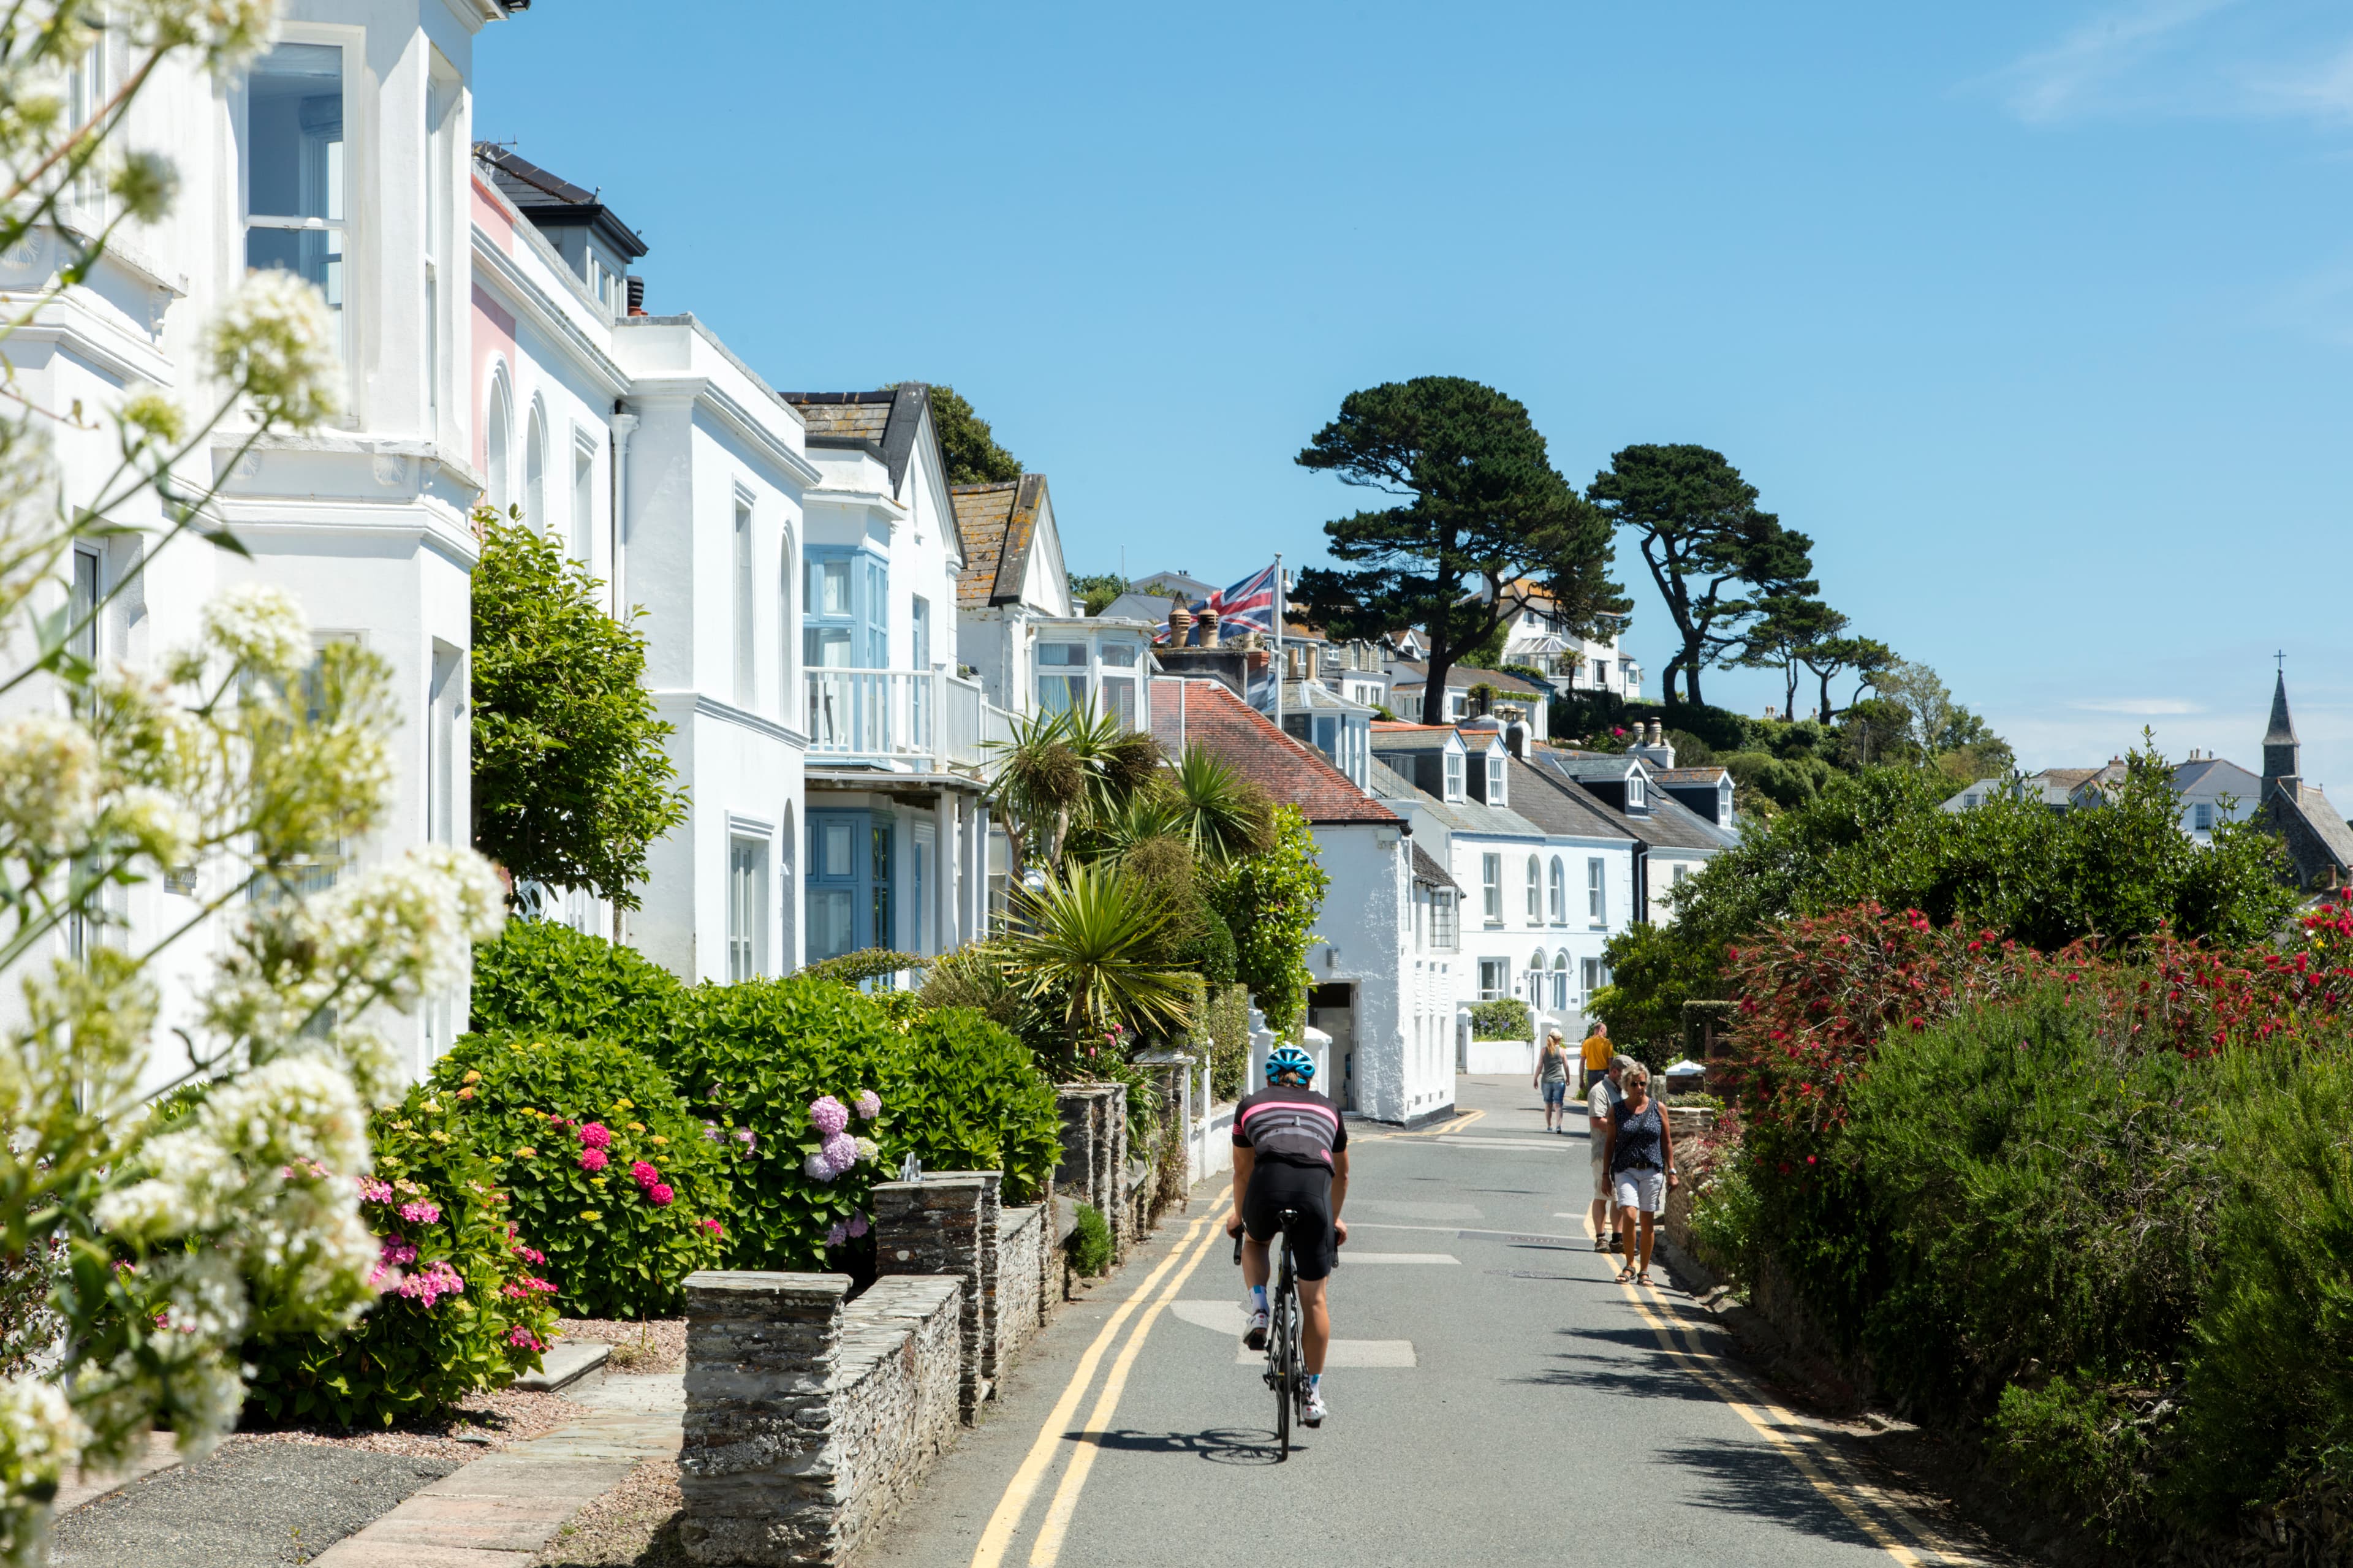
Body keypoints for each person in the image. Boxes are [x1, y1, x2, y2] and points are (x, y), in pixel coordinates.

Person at [1227, 1043, 1350, 1429]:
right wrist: (1336, 1220)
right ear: (1311, 1080)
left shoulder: (1250, 1104)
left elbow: (1243, 1172)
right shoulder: (1330, 1109)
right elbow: (1343, 1174)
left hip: (1267, 1187)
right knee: (1314, 1300)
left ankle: (1260, 1308)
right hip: (1315, 1193)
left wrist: (1239, 1216)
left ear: (1268, 1078)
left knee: (1256, 1242)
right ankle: (1313, 1396)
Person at [1600, 1063, 1677, 1286]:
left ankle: (1644, 1270)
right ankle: (1629, 1265)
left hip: (1652, 1171)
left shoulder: (1658, 1108)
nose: (1639, 1087)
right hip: (1625, 1170)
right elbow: (1610, 1144)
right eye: (1634, 1084)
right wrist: (1606, 1174)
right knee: (1630, 1214)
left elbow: (1667, 1141)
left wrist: (1671, 1171)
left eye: (1643, 1083)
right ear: (1626, 1085)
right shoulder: (1617, 1109)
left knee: (1647, 1222)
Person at [1585, 1054, 1628, 1252]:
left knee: (1618, 1196)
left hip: (1620, 1151)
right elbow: (1597, 1121)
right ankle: (1601, 1238)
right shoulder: (1599, 1092)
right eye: (1625, 1075)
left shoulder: (1623, 1092)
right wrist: (1624, 1126)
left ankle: (1617, 1238)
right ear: (1614, 1072)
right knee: (1602, 1193)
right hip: (1602, 1151)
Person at [1534, 1027, 1572, 1133]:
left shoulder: (1543, 1050)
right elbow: (1566, 1066)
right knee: (1558, 1104)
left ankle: (1549, 1126)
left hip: (1546, 1081)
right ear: (1558, 1040)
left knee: (1548, 1104)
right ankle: (1558, 1126)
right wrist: (1568, 1078)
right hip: (1559, 1081)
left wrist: (1535, 1078)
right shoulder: (1561, 1051)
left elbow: (1539, 1066)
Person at [1580, 1021, 1615, 1095]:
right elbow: (1610, 1063)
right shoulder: (1608, 1043)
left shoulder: (1586, 1043)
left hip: (1591, 1073)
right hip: (1604, 1073)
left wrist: (1581, 1079)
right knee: (1603, 1094)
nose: (1606, 1033)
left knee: (1592, 1095)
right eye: (1605, 1031)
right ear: (1601, 1030)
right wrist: (1612, 1078)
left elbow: (1582, 1063)